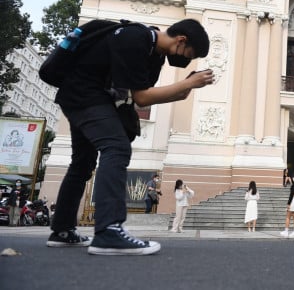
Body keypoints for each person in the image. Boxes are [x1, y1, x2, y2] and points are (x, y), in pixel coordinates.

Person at [46, 18, 214, 255]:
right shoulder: (136, 38)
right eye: (190, 54)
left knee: (82, 164)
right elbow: (143, 98)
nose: (187, 60)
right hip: (84, 94)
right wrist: (189, 83)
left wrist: (186, 87)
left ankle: (62, 231)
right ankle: (109, 232)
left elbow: (140, 96)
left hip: (85, 97)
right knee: (117, 147)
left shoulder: (154, 56)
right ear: (181, 40)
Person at [280, 171, 294, 238]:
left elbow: (291, 194)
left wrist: (288, 204)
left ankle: (286, 231)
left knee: (288, 217)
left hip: (293, 200)